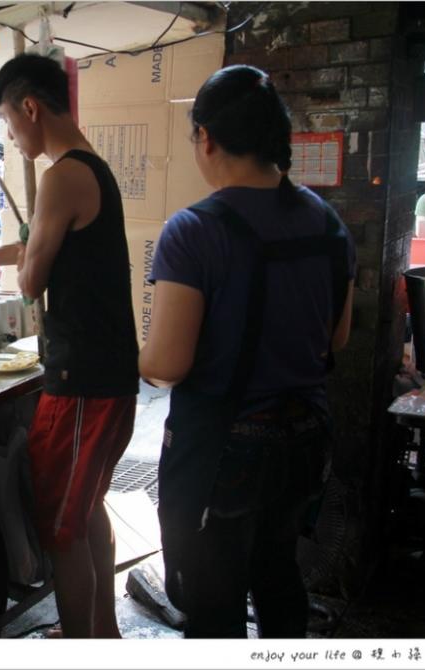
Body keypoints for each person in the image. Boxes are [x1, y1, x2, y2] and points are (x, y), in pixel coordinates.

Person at [139, 65, 356, 638]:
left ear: (205, 137)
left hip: (225, 452)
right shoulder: (327, 223)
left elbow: (165, 365)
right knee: (280, 578)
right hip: (306, 442)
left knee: (214, 608)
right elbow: (338, 338)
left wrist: (126, 353)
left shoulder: (192, 231)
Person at [0, 54, 139, 638]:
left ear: (30, 107)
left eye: (6, 119)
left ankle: (82, 640)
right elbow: (40, 242)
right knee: (86, 512)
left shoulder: (62, 175)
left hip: (82, 382)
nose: (8, 134)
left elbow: (31, 280)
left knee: (60, 526)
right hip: (107, 374)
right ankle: (104, 635)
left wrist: (21, 265)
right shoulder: (87, 169)